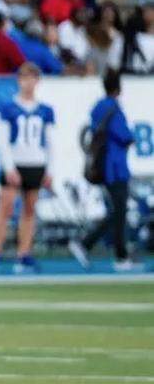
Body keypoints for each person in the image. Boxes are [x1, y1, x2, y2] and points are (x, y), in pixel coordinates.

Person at [0, 64, 54, 275]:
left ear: (37, 81)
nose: (28, 82)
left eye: (32, 78)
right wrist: (8, 167)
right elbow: (2, 141)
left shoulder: (45, 110)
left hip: (36, 162)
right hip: (16, 162)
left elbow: (50, 142)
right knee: (5, 207)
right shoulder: (8, 108)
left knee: (30, 209)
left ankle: (24, 253)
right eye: (24, 78)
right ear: (19, 80)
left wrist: (50, 169)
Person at [69, 71, 135, 271]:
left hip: (104, 166)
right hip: (116, 166)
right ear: (118, 88)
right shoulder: (114, 109)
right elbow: (124, 135)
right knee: (119, 211)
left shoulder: (98, 108)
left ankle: (113, 252)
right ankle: (93, 246)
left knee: (117, 211)